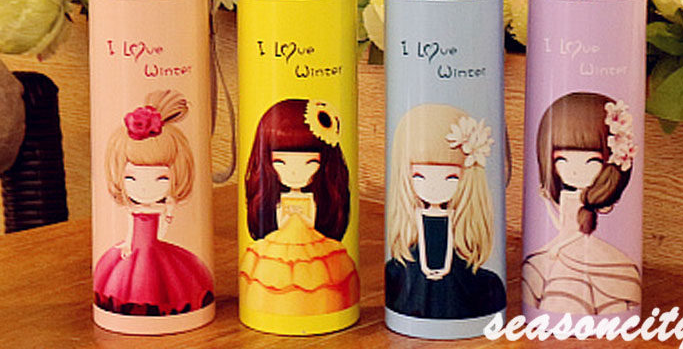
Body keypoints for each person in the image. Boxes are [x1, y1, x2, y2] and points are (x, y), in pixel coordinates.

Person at [94, 89, 214, 316]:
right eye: (131, 178)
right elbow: (131, 229)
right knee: (129, 283)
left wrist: (163, 225)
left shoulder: (163, 206)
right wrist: (127, 245)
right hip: (136, 248)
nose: (144, 188)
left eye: (161, 179)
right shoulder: (134, 208)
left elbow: (164, 225)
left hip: (155, 248)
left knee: (164, 283)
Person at [522, 92, 641, 315]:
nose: (575, 170)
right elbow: (561, 225)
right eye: (562, 160)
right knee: (541, 277)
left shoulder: (591, 201)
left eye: (592, 161)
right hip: (561, 246)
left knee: (590, 288)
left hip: (580, 247)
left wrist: (557, 247)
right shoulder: (565, 197)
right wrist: (546, 202)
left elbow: (577, 233)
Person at [386, 103, 506, 319]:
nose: (433, 187)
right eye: (419, 176)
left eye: (450, 178)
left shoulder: (486, 284)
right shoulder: (397, 272)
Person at [240, 99, 359, 315]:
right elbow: (279, 223)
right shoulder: (275, 201)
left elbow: (312, 222)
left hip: (312, 244)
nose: (295, 172)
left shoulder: (315, 201)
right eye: (281, 163)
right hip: (280, 246)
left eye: (310, 163)